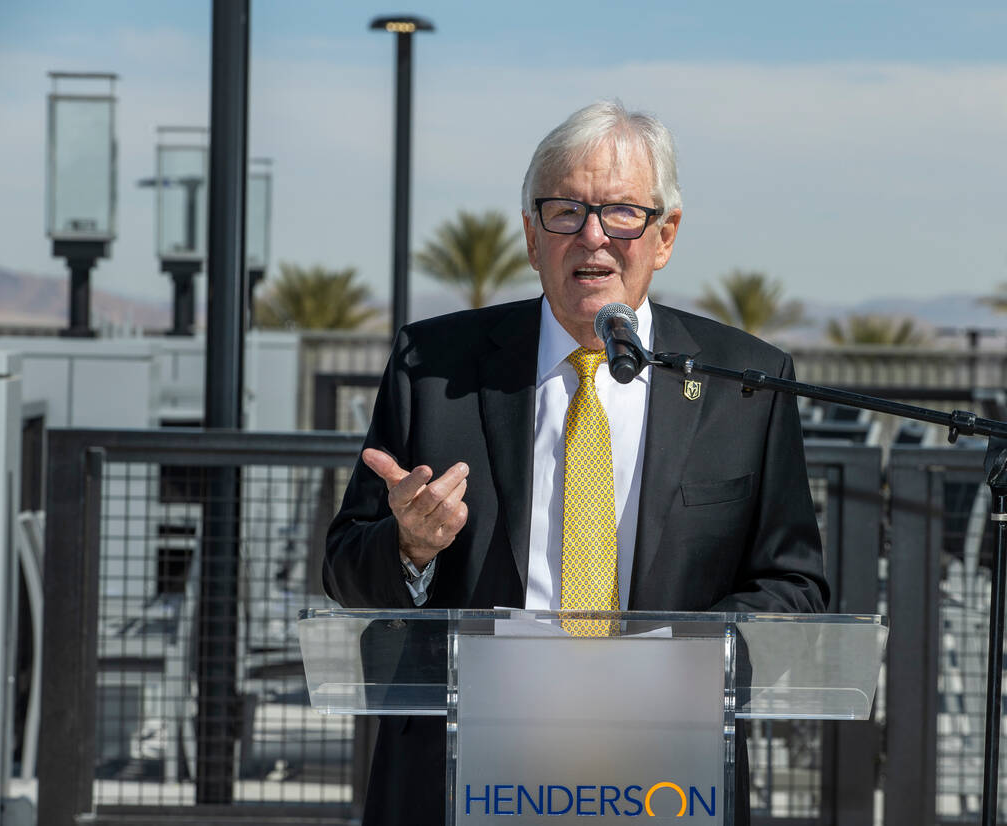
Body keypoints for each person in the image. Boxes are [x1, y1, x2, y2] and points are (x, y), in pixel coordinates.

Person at [324, 100, 828, 825]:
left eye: (623, 212)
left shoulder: (742, 382)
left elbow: (794, 585)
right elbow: (345, 567)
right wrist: (408, 547)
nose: (593, 236)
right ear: (532, 237)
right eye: (565, 211)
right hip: (464, 767)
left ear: (665, 236)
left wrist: (681, 667)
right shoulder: (433, 367)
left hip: (664, 764)